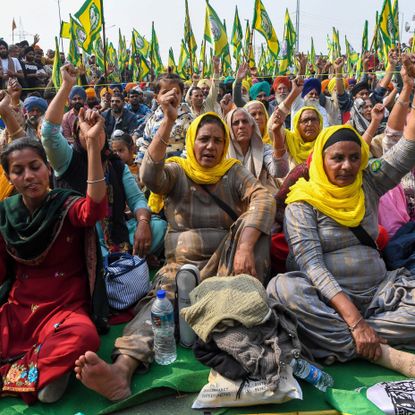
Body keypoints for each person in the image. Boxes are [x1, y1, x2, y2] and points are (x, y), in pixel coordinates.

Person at [73, 103, 275, 401]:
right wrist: (167, 121)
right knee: (159, 302)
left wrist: (244, 246)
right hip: (181, 266)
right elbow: (150, 175)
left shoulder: (233, 172)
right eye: (204, 139)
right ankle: (122, 369)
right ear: (191, 141)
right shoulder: (177, 171)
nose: (210, 146)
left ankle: (207, 320)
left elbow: (264, 197)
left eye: (218, 140)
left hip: (226, 264)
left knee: (255, 228)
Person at [268, 63, 415, 365]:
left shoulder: (367, 182)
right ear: (321, 160)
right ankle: (378, 348)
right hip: (325, 302)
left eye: (353, 158)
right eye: (337, 158)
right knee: (282, 289)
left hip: (380, 294)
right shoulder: (302, 201)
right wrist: (354, 320)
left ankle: (348, 343)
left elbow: (404, 153)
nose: (347, 166)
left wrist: (409, 88)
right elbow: (312, 266)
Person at [0, 70, 108, 404]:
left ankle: (30, 374)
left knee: (85, 334)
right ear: (9, 177)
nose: (28, 175)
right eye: (18, 171)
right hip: (20, 310)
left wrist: (92, 148)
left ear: (48, 168)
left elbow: (94, 210)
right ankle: (46, 375)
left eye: (35, 166)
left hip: (64, 310)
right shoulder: (5, 214)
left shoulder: (65, 203)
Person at [41, 64, 166, 260]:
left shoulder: (115, 163)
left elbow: (136, 199)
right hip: (82, 236)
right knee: (92, 253)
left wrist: (142, 222)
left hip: (117, 233)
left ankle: (125, 255)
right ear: (76, 134)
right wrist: (66, 85)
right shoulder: (67, 160)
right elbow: (48, 133)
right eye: (86, 129)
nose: (93, 134)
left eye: (98, 127)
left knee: (158, 226)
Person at [226, 107, 282, 194]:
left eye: (245, 121)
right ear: (229, 128)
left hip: (260, 198)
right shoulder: (222, 154)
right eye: (236, 123)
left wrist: (277, 133)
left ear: (252, 127)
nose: (241, 126)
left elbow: (279, 171)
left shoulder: (264, 149)